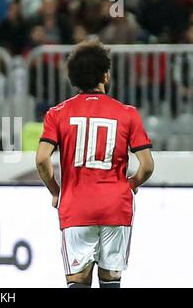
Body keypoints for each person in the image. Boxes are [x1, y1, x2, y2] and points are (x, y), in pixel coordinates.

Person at [36, 40, 154, 288]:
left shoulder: (57, 114)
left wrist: (56, 191)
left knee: (78, 281)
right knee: (111, 280)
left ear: (74, 78)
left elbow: (42, 159)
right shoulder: (127, 113)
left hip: (76, 207)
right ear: (105, 75)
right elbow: (147, 165)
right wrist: (130, 184)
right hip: (116, 207)